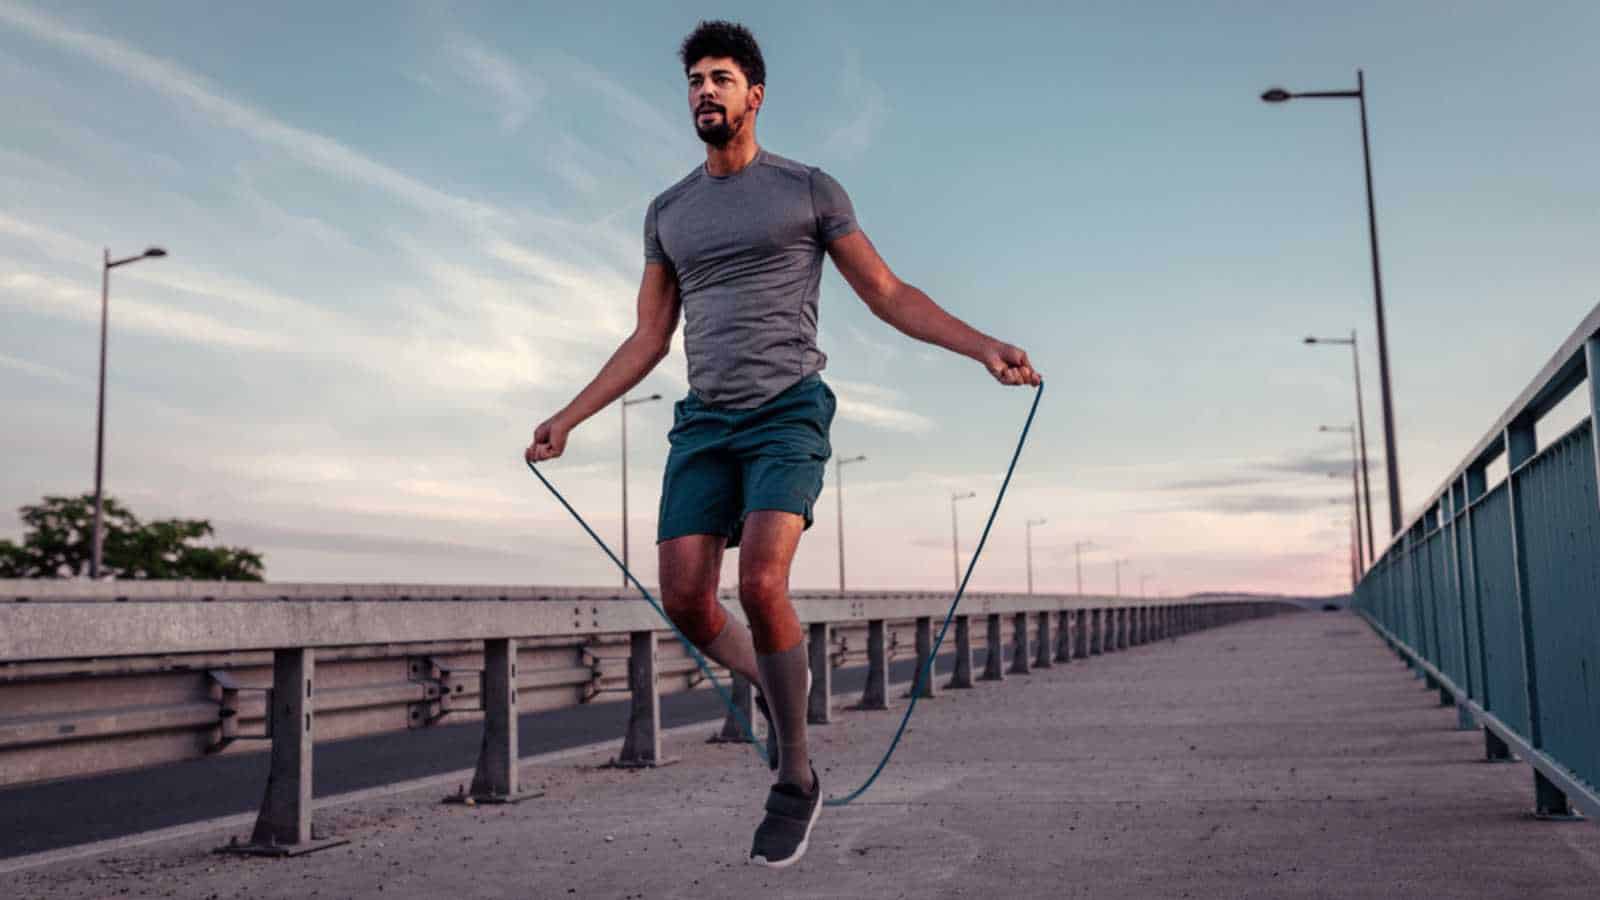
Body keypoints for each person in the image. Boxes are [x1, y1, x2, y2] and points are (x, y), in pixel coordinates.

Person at [525, 19, 1041, 868]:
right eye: (694, 80)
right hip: (704, 422)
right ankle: (779, 684)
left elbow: (887, 293)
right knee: (688, 601)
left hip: (787, 412)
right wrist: (569, 417)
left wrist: (981, 345)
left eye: (721, 79)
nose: (704, 92)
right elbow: (649, 337)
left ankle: (795, 776)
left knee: (762, 580)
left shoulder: (808, 190)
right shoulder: (668, 213)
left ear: (754, 95)